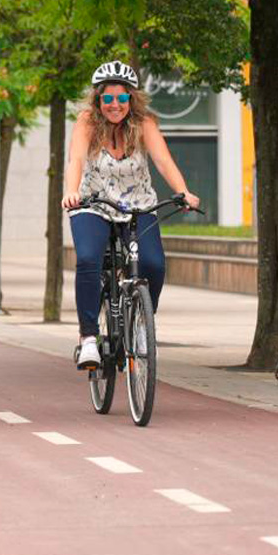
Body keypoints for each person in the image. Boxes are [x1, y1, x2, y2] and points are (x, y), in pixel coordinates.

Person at [62, 60, 201, 370]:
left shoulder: (145, 123)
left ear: (131, 99)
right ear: (98, 100)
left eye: (122, 98)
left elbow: (163, 161)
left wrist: (183, 191)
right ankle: (88, 339)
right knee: (87, 259)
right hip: (93, 204)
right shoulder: (86, 121)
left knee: (154, 264)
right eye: (108, 98)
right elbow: (76, 160)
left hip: (138, 204)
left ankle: (140, 322)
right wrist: (71, 191)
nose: (115, 105)